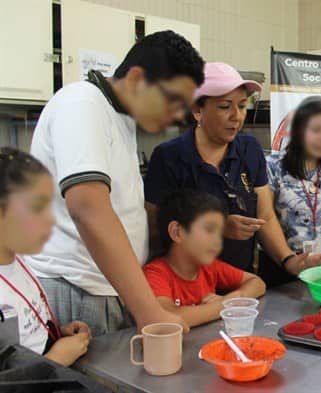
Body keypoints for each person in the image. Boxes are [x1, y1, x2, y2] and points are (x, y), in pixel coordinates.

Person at [26, 31, 204, 336]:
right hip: (78, 292)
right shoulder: (81, 102)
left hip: (105, 290)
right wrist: (148, 310)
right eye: (173, 100)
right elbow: (88, 208)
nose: (177, 115)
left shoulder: (117, 117)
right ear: (136, 79)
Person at [144, 62, 321, 279]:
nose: (236, 116)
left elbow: (264, 216)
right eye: (225, 106)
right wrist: (216, 228)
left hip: (240, 281)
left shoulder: (249, 149)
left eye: (242, 106)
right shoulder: (169, 157)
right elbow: (156, 231)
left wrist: (289, 260)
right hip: (187, 283)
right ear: (198, 110)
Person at [0, 148, 90, 366]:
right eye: (37, 208)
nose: (51, 220)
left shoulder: (19, 261)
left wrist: (56, 334)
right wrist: (56, 358)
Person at [261, 97, 321, 286]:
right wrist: (290, 262)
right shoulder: (273, 166)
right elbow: (265, 218)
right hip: (282, 267)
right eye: (317, 130)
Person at [143, 190, 265, 328]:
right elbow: (167, 317)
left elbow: (257, 283)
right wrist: (225, 305)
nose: (217, 242)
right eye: (209, 230)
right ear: (177, 232)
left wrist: (231, 300)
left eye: (219, 233)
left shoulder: (210, 267)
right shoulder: (155, 273)